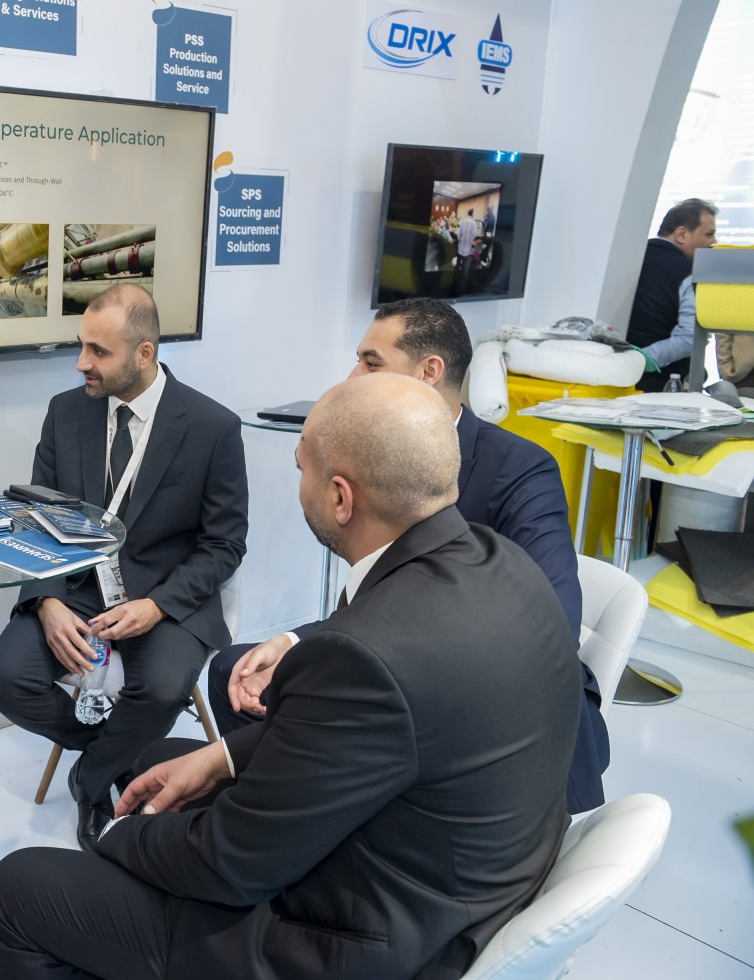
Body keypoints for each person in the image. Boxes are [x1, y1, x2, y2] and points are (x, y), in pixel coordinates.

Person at [0, 372, 583, 980]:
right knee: (162, 759)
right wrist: (222, 757)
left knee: (19, 888)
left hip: (351, 942)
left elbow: (231, 863)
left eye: (302, 470)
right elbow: (376, 735)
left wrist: (118, 837)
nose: (299, 487)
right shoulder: (501, 561)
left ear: (341, 497)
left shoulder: (361, 657)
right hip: (457, 876)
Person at [208, 297, 609, 813]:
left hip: (496, 700)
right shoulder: (372, 456)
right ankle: (282, 811)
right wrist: (294, 640)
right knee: (237, 671)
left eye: (371, 363)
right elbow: (379, 595)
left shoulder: (521, 469)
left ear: (429, 371)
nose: (352, 378)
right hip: (395, 660)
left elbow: (549, 620)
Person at [0, 282, 248, 852]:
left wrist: (158, 606)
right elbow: (36, 520)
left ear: (144, 353)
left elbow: (225, 545)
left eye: (98, 351)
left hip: (166, 595)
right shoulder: (65, 412)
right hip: (77, 585)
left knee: (163, 688)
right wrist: (47, 600)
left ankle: (89, 780)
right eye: (82, 345)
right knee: (5, 678)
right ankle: (119, 753)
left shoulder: (213, 428)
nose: (81, 363)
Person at [628, 198, 719, 391]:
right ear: (681, 234)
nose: (714, 242)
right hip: (663, 384)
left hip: (613, 379)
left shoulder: (627, 259)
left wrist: (625, 361)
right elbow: (689, 339)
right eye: (709, 234)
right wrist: (641, 359)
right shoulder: (690, 274)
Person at [454, 207, 480, 293]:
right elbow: (474, 235)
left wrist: (461, 240)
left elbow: (458, 235)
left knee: (458, 264)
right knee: (465, 267)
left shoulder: (462, 221)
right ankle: (463, 283)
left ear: (468, 213)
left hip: (460, 248)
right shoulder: (474, 223)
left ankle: (455, 279)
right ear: (472, 214)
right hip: (467, 249)